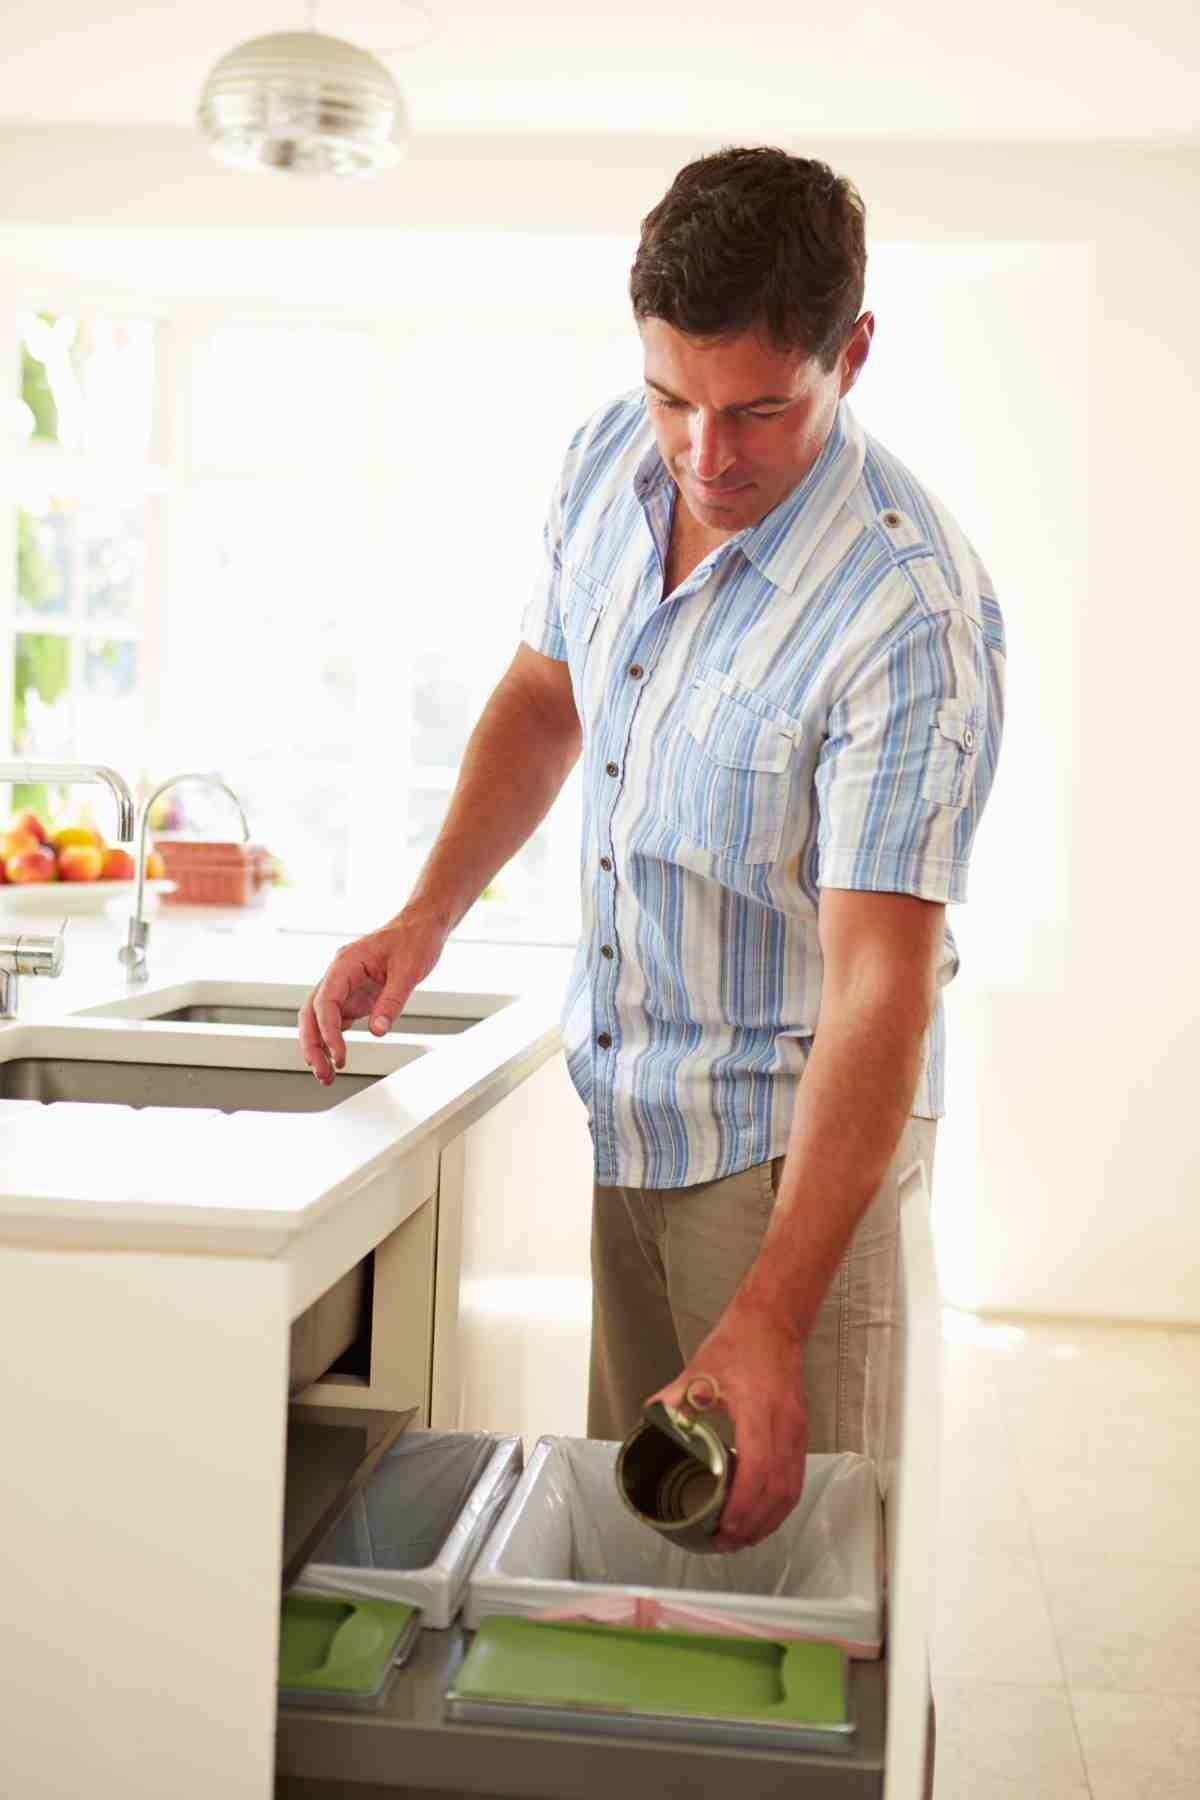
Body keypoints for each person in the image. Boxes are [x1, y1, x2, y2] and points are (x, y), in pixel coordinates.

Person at [300, 147, 1004, 1556]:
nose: (704, 455)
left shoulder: (907, 613)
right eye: (673, 396)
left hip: (792, 1167)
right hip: (631, 1119)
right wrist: (427, 911)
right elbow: (547, 698)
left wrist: (772, 1314)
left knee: (804, 1580)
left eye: (757, 411)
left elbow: (883, 983)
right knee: (640, 1557)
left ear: (849, 355)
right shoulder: (608, 466)